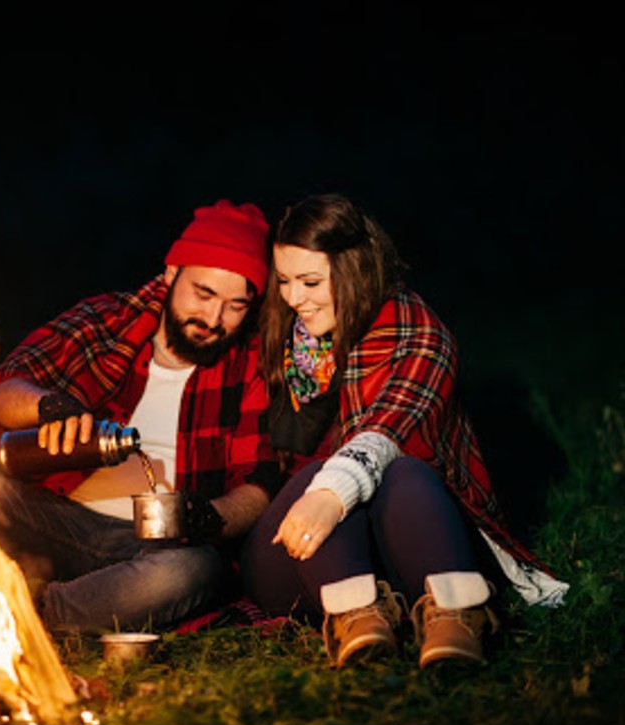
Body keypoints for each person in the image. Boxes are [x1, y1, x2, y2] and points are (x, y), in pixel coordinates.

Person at [240, 193, 568, 669]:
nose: (293, 298)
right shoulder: (288, 335)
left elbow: (388, 425)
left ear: (354, 271)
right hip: (295, 550)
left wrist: (332, 493)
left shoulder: (419, 336)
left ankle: (454, 616)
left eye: (310, 281)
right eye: (285, 280)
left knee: (404, 472)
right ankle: (354, 616)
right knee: (314, 482)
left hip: (400, 541)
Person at [0, 200, 280, 634]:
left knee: (196, 570)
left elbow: (260, 484)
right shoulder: (109, 320)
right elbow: (1, 390)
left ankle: (34, 617)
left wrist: (208, 517)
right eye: (204, 293)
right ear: (172, 272)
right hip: (54, 514)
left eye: (236, 305)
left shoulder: (248, 365)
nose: (213, 319)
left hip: (150, 548)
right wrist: (48, 406)